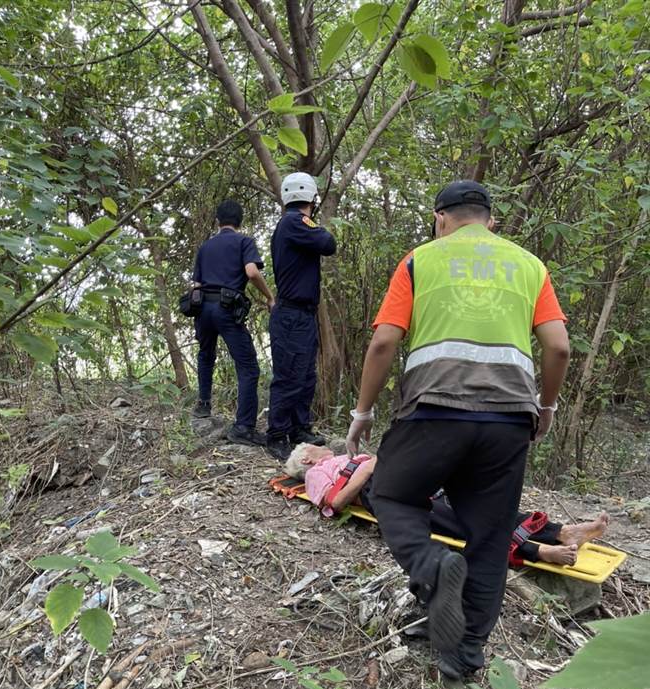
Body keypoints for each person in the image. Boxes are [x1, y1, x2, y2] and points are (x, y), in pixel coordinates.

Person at [345, 180, 570, 680]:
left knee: (392, 494)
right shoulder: (530, 266)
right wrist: (546, 406)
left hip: (433, 411)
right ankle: (464, 654)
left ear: (439, 218)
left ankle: (431, 569)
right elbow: (558, 348)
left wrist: (362, 414)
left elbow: (384, 343)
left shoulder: (420, 260)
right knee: (489, 537)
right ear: (490, 221)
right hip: (510, 419)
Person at [284, 443, 609, 568]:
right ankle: (537, 552)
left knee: (476, 504)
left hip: (400, 477)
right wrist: (369, 467)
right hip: (385, 492)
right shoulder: (315, 474)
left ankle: (562, 531)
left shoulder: (340, 458)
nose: (321, 444)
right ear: (308, 457)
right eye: (314, 445)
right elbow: (336, 502)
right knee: (460, 524)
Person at [192, 199, 275, 446]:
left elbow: (196, 284)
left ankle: (203, 405)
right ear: (240, 221)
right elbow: (251, 272)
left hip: (202, 306)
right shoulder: (243, 242)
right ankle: (244, 427)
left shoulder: (206, 247)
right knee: (248, 366)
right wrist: (270, 296)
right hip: (226, 308)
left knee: (206, 355)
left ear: (218, 221)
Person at [266, 173, 337, 462]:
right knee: (290, 375)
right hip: (292, 314)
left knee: (305, 375)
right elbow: (328, 243)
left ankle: (298, 428)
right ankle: (276, 434)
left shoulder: (289, 224)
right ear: (310, 197)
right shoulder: (294, 221)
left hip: (301, 314)